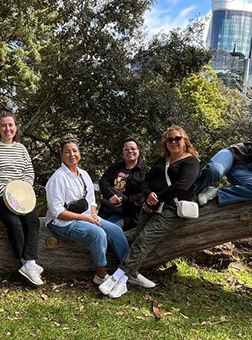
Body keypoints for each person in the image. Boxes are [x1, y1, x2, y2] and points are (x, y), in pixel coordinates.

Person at [99, 125, 200, 299]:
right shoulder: (162, 161)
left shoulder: (191, 162)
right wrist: (149, 196)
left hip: (172, 208)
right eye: (170, 139)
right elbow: (146, 183)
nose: (174, 142)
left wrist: (157, 197)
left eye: (177, 138)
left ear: (185, 141)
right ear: (165, 143)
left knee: (145, 239)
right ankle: (124, 280)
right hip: (150, 205)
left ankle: (118, 278)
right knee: (139, 239)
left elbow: (181, 186)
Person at [46, 137, 153, 288]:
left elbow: (91, 201)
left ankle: (131, 272)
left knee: (115, 230)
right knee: (98, 234)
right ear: (61, 155)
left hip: (86, 216)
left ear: (80, 153)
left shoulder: (83, 174)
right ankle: (101, 275)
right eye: (67, 152)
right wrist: (86, 218)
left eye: (75, 151)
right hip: (63, 222)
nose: (72, 155)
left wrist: (94, 214)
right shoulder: (57, 178)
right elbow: (57, 212)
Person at [0, 111, 43, 286]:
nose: (8, 128)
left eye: (11, 125)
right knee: (14, 222)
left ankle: (30, 262)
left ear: (16, 127)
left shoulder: (21, 148)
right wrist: (8, 195)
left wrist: (23, 192)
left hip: (20, 195)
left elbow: (29, 172)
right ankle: (26, 263)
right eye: (3, 125)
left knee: (32, 220)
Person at [98, 137, 149, 230]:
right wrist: (111, 195)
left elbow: (144, 194)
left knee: (109, 231)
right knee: (95, 230)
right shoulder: (115, 167)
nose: (130, 151)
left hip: (126, 214)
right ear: (123, 152)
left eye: (133, 149)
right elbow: (103, 182)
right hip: (107, 208)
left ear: (138, 151)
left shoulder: (144, 172)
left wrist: (124, 200)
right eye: (126, 149)